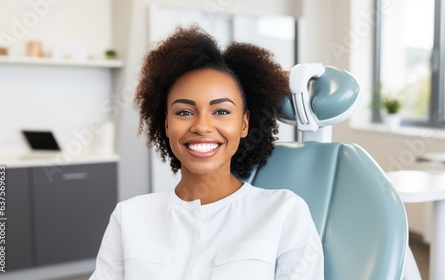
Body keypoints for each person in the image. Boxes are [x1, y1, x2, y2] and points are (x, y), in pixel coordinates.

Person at [90, 26, 324, 280]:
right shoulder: (130, 217)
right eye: (184, 112)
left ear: (244, 124)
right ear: (167, 124)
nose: (202, 126)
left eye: (221, 111)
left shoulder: (284, 212)